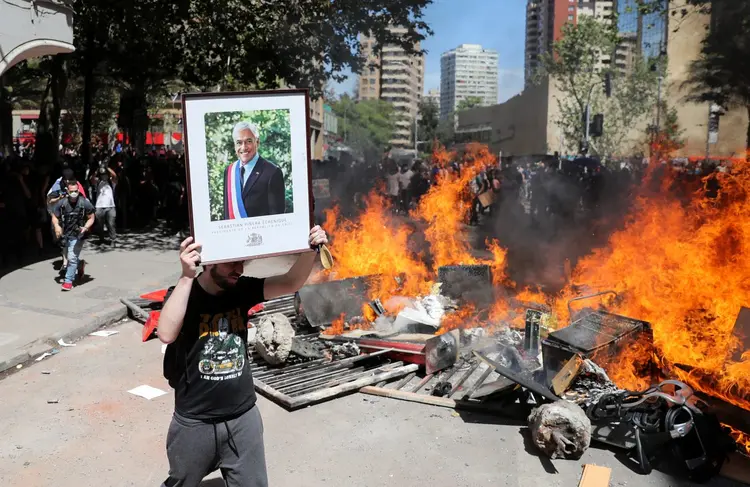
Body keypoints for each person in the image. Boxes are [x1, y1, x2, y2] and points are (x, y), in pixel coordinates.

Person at [158, 225, 329, 487]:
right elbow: (166, 333)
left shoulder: (241, 289)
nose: (239, 269)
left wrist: (310, 250)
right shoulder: (185, 294)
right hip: (195, 422)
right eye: (231, 263)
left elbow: (290, 282)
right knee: (181, 481)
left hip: (242, 418)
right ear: (210, 260)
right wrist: (185, 277)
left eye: (243, 262)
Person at [222, 122, 285, 220]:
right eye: (239, 142)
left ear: (257, 142)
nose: (244, 147)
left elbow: (277, 219)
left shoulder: (272, 172)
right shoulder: (229, 171)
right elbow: (227, 214)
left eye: (248, 141)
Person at [51, 180, 95, 291]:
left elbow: (92, 217)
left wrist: (85, 227)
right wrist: (57, 226)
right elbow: (55, 216)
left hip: (78, 235)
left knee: (71, 257)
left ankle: (68, 281)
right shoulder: (62, 203)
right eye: (72, 191)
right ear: (67, 191)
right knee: (72, 257)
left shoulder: (84, 203)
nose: (74, 193)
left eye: (76, 191)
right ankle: (80, 265)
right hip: (66, 235)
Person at [94, 165, 118, 247]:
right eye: (102, 175)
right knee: (100, 224)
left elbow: (115, 175)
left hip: (110, 206)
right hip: (99, 206)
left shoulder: (112, 183)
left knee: (111, 224)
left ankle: (113, 239)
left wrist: (107, 168)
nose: (104, 176)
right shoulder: (98, 182)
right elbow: (91, 179)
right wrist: (97, 170)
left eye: (105, 174)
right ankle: (101, 238)